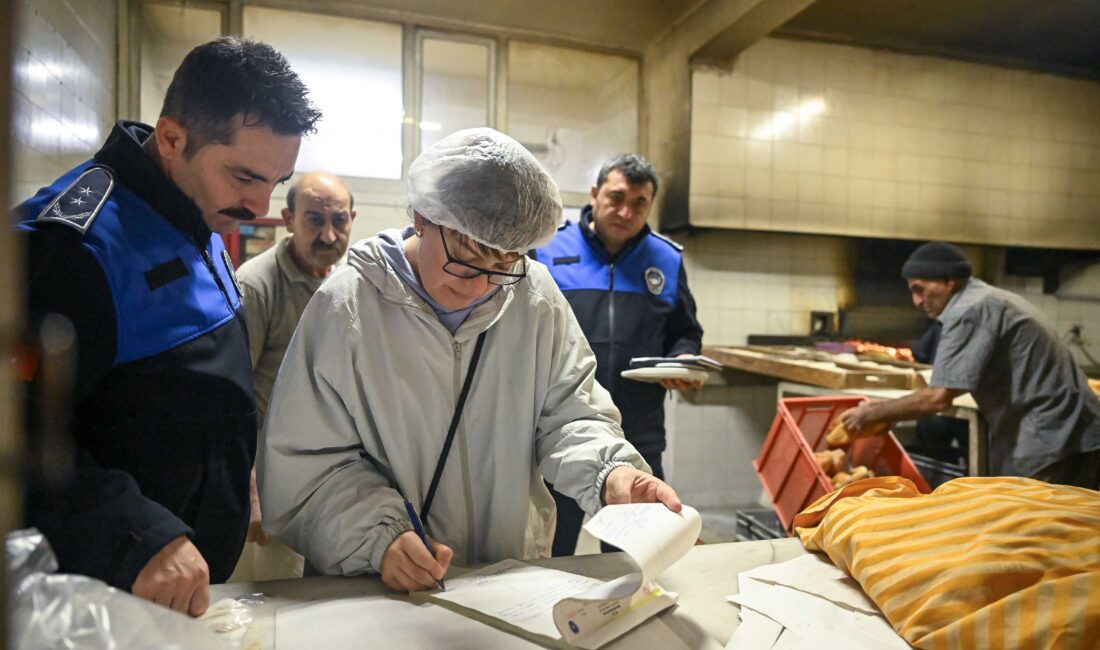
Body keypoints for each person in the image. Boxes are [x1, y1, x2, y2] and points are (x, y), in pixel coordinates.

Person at [258, 128, 681, 593]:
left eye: (503, 264)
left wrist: (609, 472)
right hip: (376, 587)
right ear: (422, 216)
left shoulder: (535, 297)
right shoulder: (348, 308)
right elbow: (306, 464)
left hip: (505, 580)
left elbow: (568, 415)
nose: (480, 286)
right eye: (467, 258)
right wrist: (376, 537)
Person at [13, 36, 319, 616]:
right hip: (103, 593)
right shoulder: (72, 247)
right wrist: (133, 531)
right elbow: (18, 436)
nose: (260, 207)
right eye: (244, 177)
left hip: (181, 597)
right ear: (174, 139)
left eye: (275, 184)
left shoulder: (197, 215)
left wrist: (236, 467)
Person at [532, 154, 703, 556]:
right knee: (552, 547)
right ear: (594, 194)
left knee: (633, 553)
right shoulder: (549, 248)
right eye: (616, 197)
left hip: (639, 428)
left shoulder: (667, 259)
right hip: (562, 429)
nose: (625, 211)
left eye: (639, 203)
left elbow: (685, 333)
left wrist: (682, 361)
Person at [841, 242, 1100, 489]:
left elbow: (937, 398)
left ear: (947, 281)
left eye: (920, 289)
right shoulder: (985, 298)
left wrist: (872, 413)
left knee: (1036, 526)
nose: (917, 301)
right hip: (1073, 430)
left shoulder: (969, 311)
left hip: (1055, 438)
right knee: (1065, 524)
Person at [230, 172, 356, 581]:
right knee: (271, 601)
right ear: (287, 219)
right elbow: (232, 394)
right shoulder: (256, 285)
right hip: (267, 479)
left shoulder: (345, 282)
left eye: (339, 221)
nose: (328, 234)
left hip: (324, 476)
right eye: (314, 220)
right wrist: (250, 486)